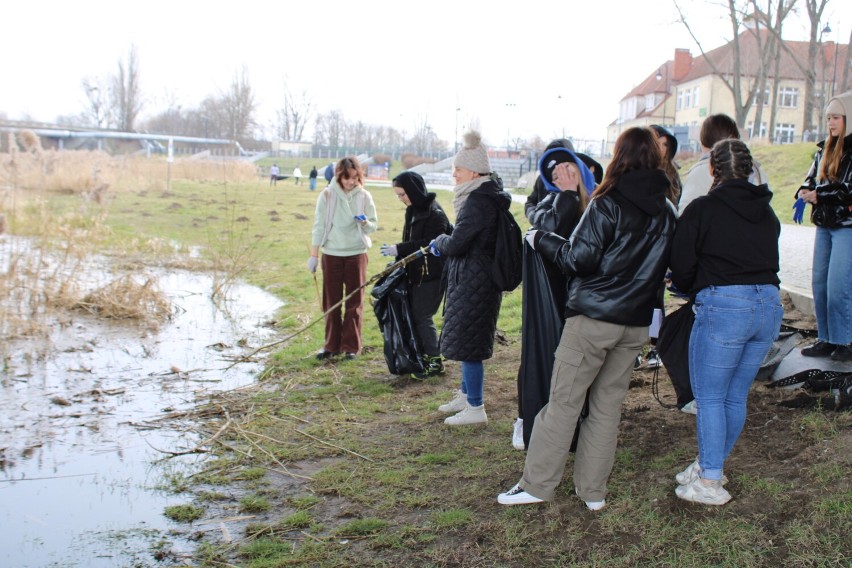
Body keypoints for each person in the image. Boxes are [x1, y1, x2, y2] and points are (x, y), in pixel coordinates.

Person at [497, 126, 676, 510]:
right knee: (607, 409)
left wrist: (539, 238)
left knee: (562, 403)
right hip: (634, 325)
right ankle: (593, 492)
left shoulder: (607, 201)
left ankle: (537, 485)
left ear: (619, 155)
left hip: (593, 320)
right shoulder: (667, 209)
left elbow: (578, 259)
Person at [669, 139, 783, 505]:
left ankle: (710, 482)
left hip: (725, 307)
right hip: (768, 305)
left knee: (711, 397)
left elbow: (681, 265)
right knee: (735, 394)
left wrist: (687, 287)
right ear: (748, 170)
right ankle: (708, 465)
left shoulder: (702, 209)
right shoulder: (767, 213)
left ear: (713, 171)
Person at [513, 145, 594, 451]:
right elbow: (541, 220)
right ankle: (534, 421)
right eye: (554, 173)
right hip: (553, 299)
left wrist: (570, 195)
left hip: (577, 302)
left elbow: (553, 228)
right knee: (545, 362)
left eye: (568, 170)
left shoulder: (591, 203)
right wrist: (565, 195)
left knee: (570, 369)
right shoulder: (555, 197)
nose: (560, 176)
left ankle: (570, 431)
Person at [430, 130, 510, 426]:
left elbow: (459, 242)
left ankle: (476, 407)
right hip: (473, 277)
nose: (454, 174)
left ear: (474, 171)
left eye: (458, 169)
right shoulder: (481, 195)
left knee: (470, 342)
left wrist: (440, 241)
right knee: (467, 338)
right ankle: (466, 395)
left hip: (477, 279)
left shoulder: (478, 201)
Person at [795, 91, 852, 362]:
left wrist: (820, 196)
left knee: (839, 286)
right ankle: (827, 337)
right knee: (820, 284)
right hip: (824, 225)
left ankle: (845, 340)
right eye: (828, 117)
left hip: (847, 226)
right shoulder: (824, 150)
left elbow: (847, 190)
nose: (831, 123)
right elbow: (810, 179)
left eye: (837, 118)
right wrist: (803, 192)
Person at [381, 171, 453, 378]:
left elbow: (430, 243)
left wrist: (399, 248)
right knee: (414, 314)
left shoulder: (435, 213)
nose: (401, 199)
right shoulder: (412, 210)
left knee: (422, 316)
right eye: (398, 195)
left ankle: (435, 360)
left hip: (432, 274)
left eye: (403, 194)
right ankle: (421, 356)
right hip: (416, 273)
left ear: (413, 190)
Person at [307, 157, 378, 360]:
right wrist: (314, 255)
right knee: (332, 302)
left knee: (355, 302)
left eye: (355, 177)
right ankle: (331, 346)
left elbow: (374, 224)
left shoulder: (364, 196)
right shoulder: (327, 195)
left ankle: (351, 347)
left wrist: (365, 223)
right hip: (332, 255)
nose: (351, 182)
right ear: (339, 175)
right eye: (347, 178)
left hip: (357, 254)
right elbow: (319, 226)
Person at [678, 114, 768, 214]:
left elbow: (685, 215)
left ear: (702, 142)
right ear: (736, 139)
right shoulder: (757, 170)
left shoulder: (700, 172)